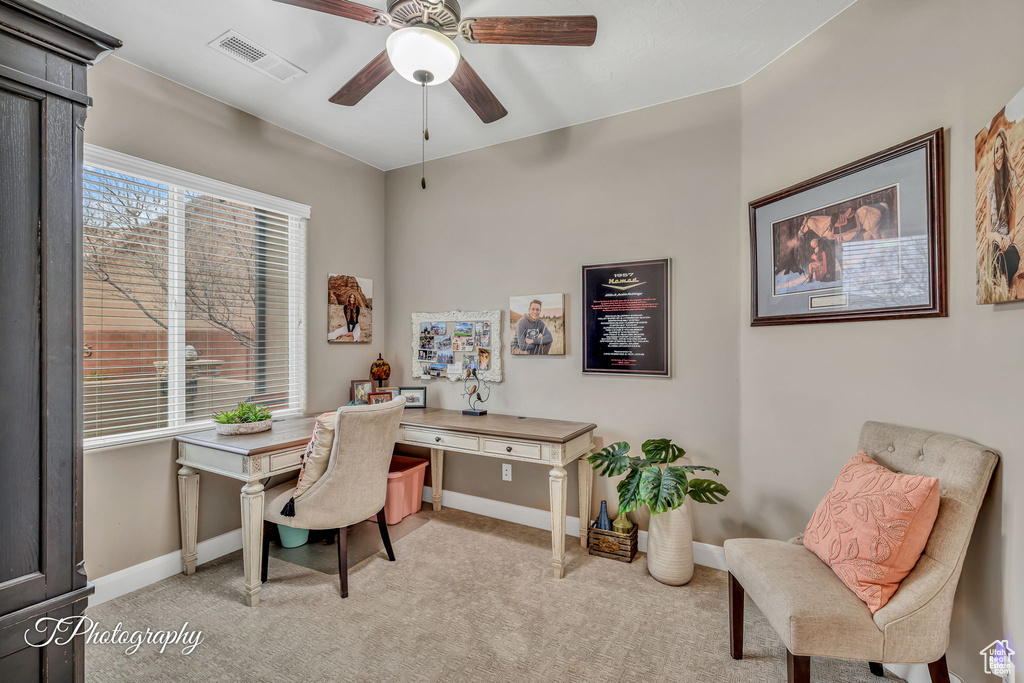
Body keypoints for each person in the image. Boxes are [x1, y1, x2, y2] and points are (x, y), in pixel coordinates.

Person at [988, 128, 1021, 292]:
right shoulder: (990, 187)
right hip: (995, 243)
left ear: (1005, 150)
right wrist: (996, 237)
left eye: (1001, 148)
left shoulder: (1011, 179)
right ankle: (1000, 277)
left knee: (1014, 254)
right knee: (995, 251)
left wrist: (1008, 239)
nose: (999, 153)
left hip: (1007, 244)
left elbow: (1013, 224)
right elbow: (988, 231)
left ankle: (1004, 276)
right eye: (995, 150)